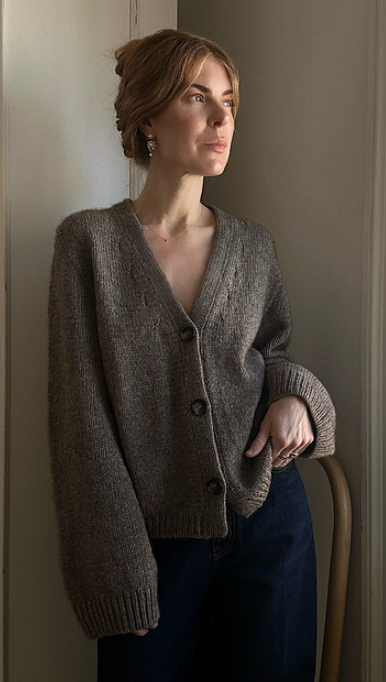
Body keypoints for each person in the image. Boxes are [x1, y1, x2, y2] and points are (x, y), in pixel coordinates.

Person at [47, 28, 336, 682]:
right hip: (151, 544)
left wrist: (295, 398)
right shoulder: (88, 244)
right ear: (147, 116)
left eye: (228, 101)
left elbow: (271, 353)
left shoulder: (251, 247)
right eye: (197, 97)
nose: (221, 118)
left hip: (267, 522)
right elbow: (80, 422)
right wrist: (116, 567)